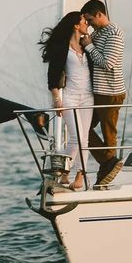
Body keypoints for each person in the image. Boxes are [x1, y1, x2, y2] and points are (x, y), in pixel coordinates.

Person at [39, 12, 94, 191]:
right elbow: (52, 77)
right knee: (75, 137)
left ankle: (78, 176)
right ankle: (64, 172)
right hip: (70, 96)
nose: (87, 24)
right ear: (76, 26)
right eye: (85, 22)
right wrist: (57, 99)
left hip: (88, 98)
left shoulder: (87, 45)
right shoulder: (62, 47)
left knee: (83, 139)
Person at [80, 0, 126, 187]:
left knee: (109, 135)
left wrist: (89, 46)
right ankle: (107, 163)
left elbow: (108, 63)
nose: (89, 24)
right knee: (82, 129)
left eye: (90, 20)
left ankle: (107, 166)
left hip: (110, 91)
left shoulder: (114, 33)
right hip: (98, 91)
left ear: (100, 14)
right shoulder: (98, 32)